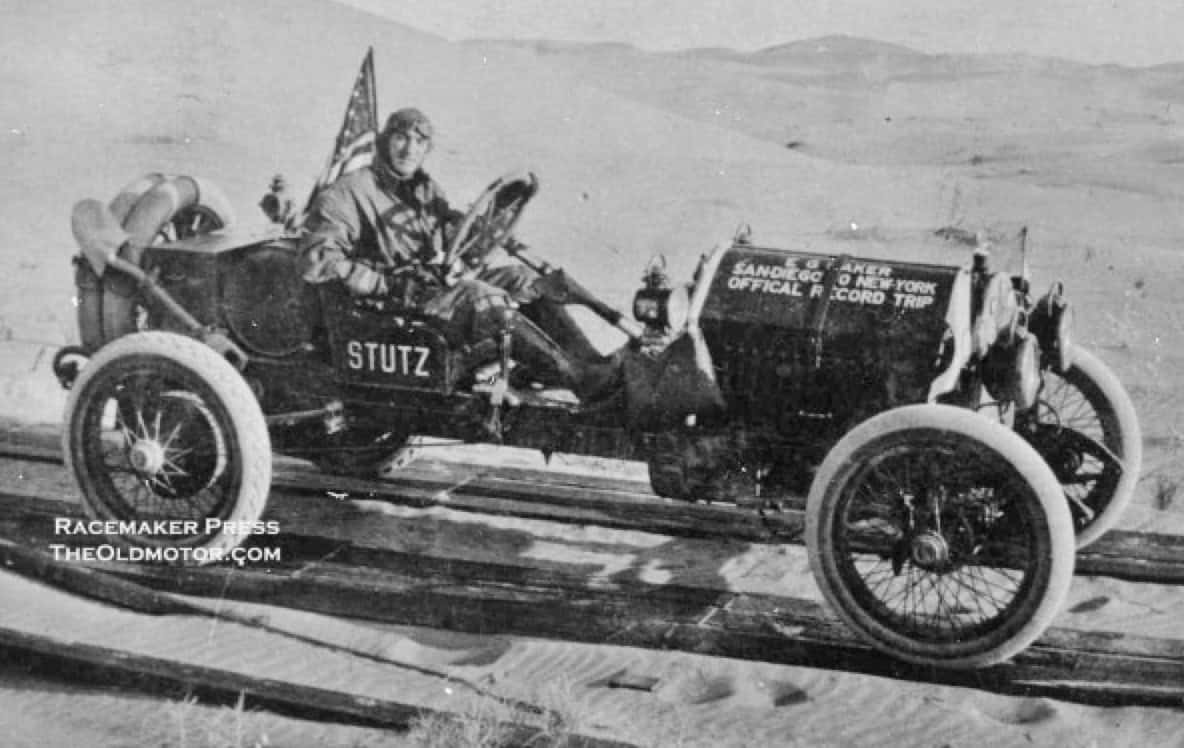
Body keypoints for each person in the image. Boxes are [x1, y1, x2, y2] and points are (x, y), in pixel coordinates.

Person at [299, 107, 617, 400]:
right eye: (401, 138)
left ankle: (593, 366)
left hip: (429, 291)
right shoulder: (348, 192)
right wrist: (386, 284)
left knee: (525, 280)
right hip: (387, 306)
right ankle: (578, 379)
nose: (409, 149)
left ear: (427, 149)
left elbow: (459, 242)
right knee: (480, 297)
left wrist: (496, 217)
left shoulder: (425, 191)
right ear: (384, 141)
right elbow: (318, 260)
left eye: (419, 141)